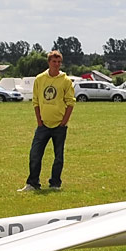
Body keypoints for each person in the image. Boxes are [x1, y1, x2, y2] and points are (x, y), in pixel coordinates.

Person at [19, 50, 75, 192]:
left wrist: (64, 122)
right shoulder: (40, 79)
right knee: (35, 154)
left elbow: (70, 103)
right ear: (49, 62)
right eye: (54, 62)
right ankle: (32, 183)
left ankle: (55, 184)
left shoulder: (66, 81)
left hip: (59, 126)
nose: (56, 65)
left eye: (59, 62)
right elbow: (36, 101)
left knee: (58, 156)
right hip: (43, 125)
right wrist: (39, 121)